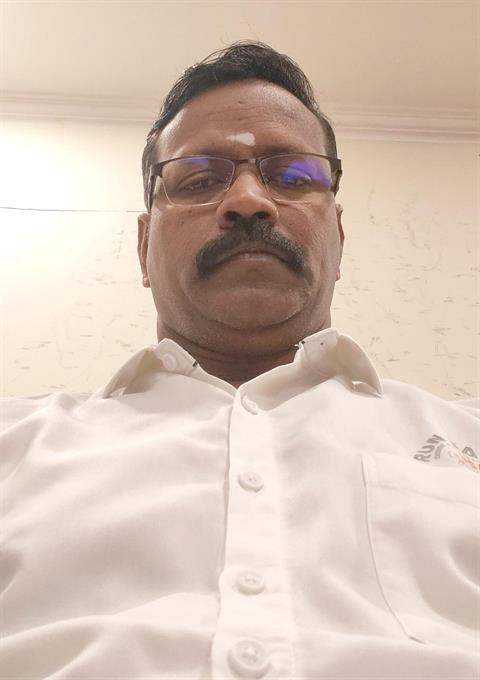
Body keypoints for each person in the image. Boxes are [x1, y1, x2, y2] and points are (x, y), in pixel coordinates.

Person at [0, 41, 478, 680]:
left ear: (338, 237)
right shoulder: (12, 445)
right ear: (143, 248)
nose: (249, 201)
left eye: (292, 177)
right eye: (199, 180)